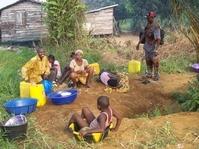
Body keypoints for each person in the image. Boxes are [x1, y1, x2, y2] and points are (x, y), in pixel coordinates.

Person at [136, 11, 161, 81]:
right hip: (147, 47)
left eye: (148, 17)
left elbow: (158, 39)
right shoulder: (147, 25)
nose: (147, 19)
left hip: (153, 47)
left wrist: (156, 49)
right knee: (148, 60)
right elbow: (143, 35)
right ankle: (149, 73)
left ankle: (156, 75)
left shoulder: (156, 26)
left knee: (155, 61)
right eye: (147, 17)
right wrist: (138, 43)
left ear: (152, 17)